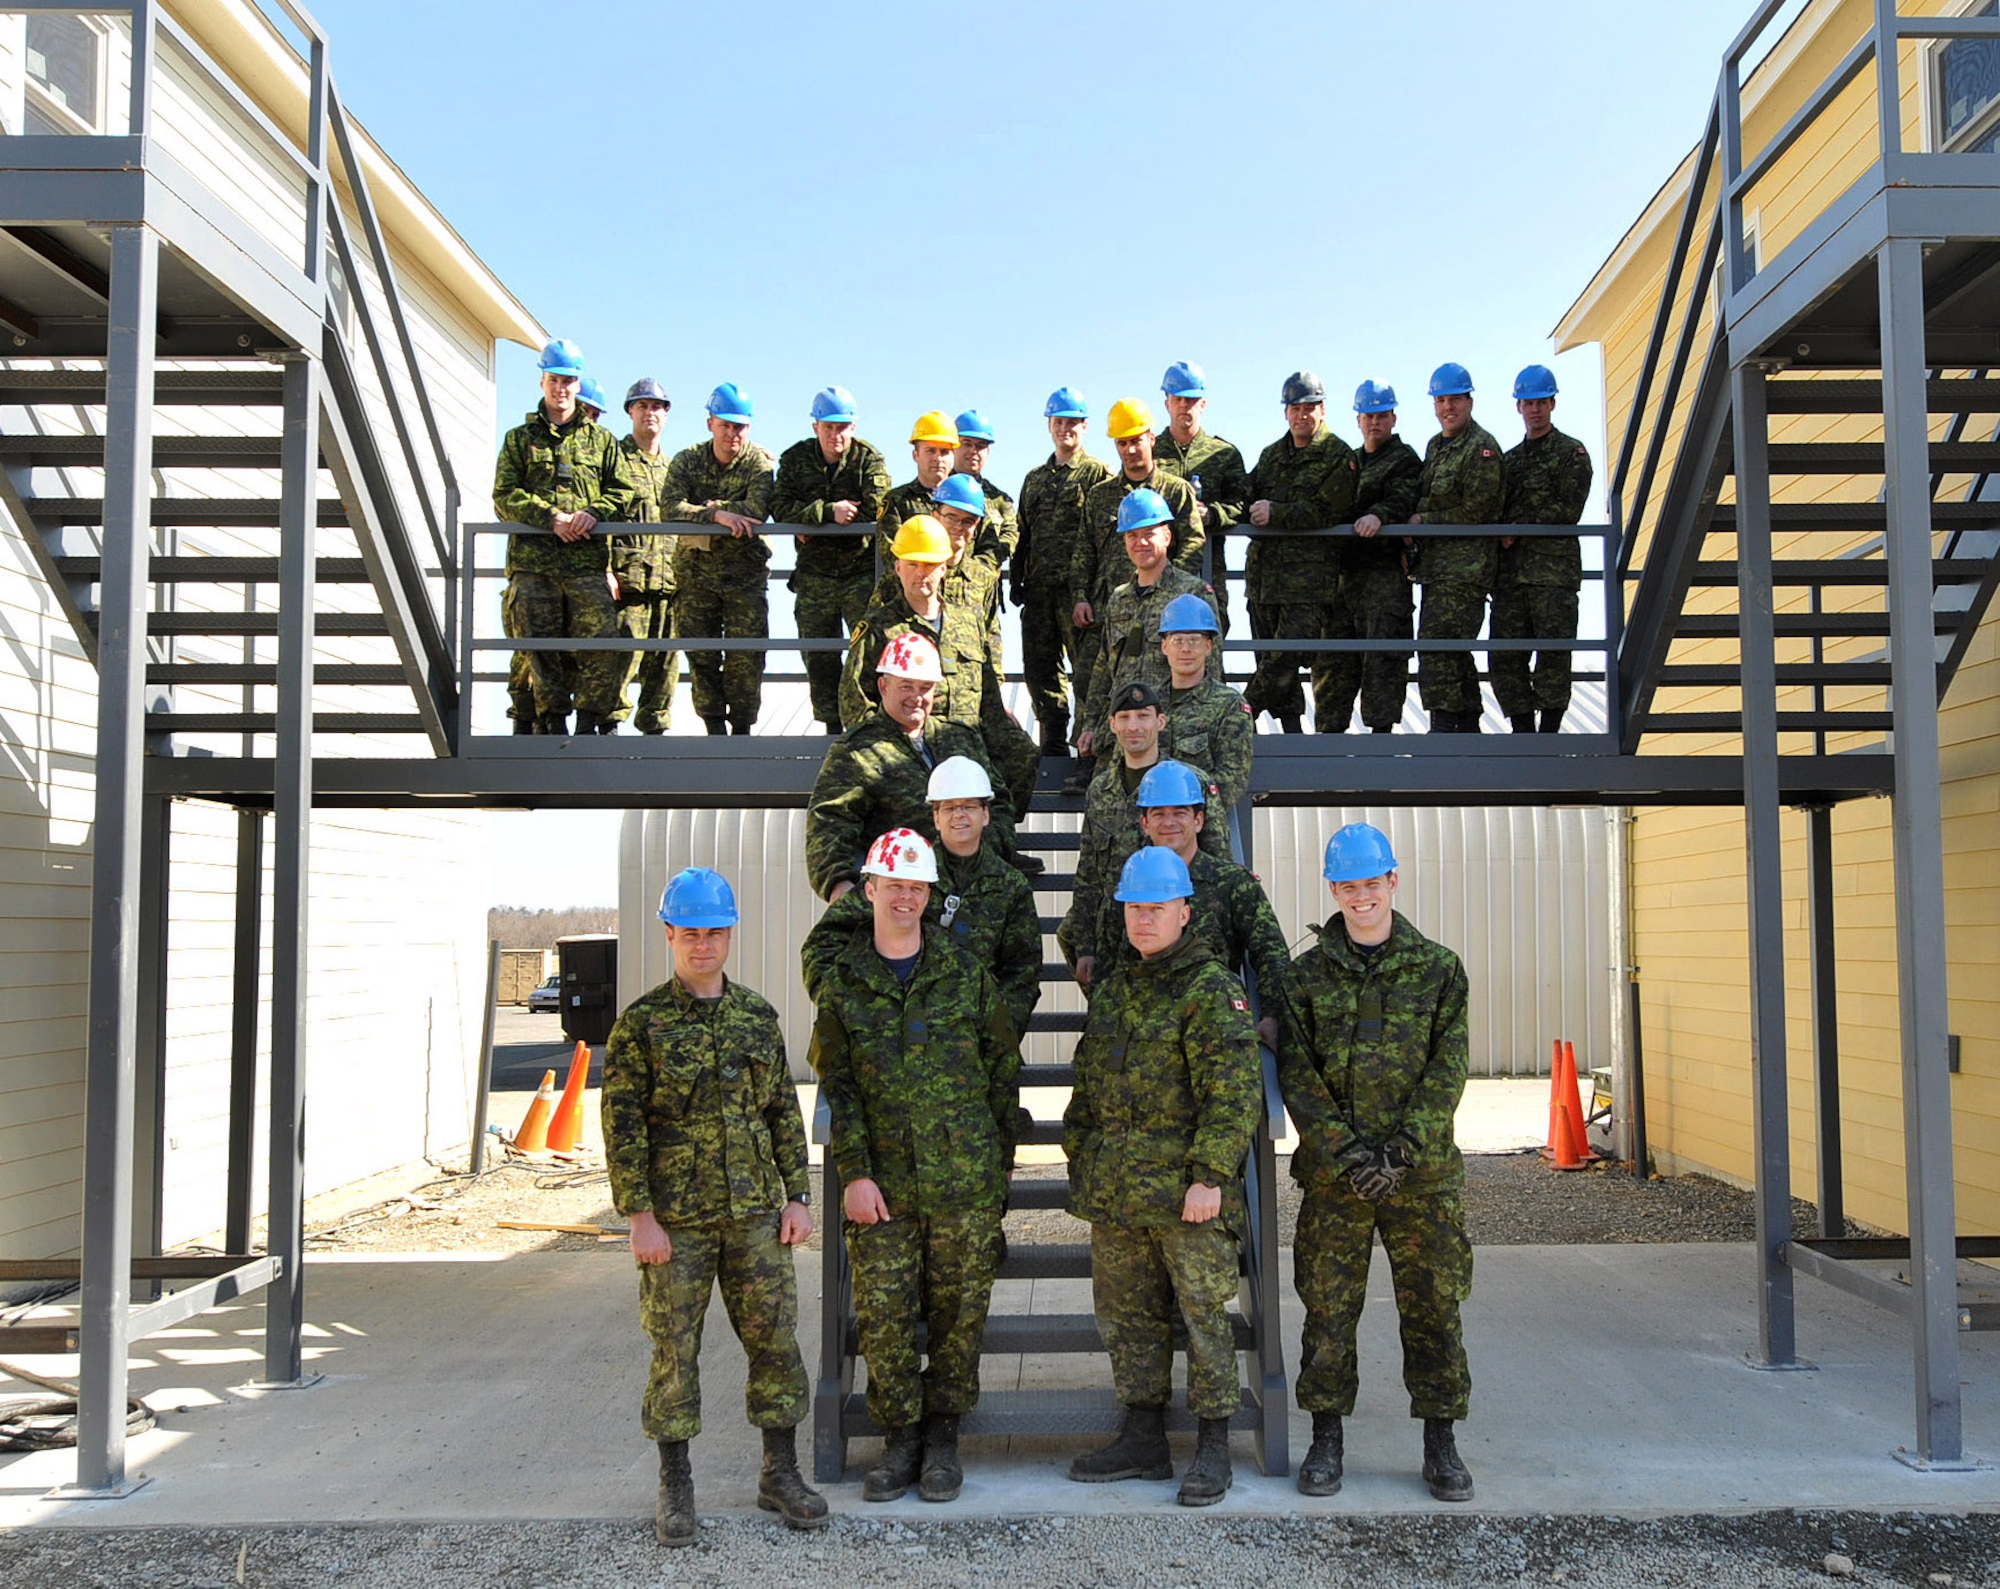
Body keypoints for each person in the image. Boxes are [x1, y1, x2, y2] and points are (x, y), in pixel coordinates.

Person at [602, 867, 827, 1547]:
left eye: (715, 931)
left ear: (731, 934)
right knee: (675, 1349)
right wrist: (638, 1214)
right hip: (678, 1222)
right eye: (691, 932)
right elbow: (623, 1125)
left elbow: (783, 1112)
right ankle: (675, 1482)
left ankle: (779, 1470)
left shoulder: (757, 1015)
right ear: (669, 933)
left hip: (756, 1214)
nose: (703, 944)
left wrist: (797, 1195)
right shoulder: (641, 1026)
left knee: (775, 1340)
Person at [807, 828, 1023, 1505]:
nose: (905, 895)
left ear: (930, 894)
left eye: (916, 885)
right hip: (884, 1186)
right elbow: (837, 1085)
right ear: (868, 888)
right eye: (893, 883)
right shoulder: (843, 985)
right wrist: (856, 1172)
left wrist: (998, 1170)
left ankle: (943, 1437)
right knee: (885, 1315)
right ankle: (899, 1436)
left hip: (964, 1182)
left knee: (961, 1313)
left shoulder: (964, 974)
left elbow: (1001, 1073)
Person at [1276, 822, 1475, 1503]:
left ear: (1393, 881)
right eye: (1348, 885)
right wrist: (1348, 1153)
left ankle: (1441, 1441)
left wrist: (1399, 1151)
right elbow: (1299, 1072)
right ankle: (1326, 1438)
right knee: (1328, 1311)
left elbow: (1449, 1069)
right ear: (1333, 889)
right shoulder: (1303, 976)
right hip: (1338, 1182)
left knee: (1433, 1308)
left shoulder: (1440, 968)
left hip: (1420, 1179)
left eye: (1372, 882)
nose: (1361, 896)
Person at [1063, 845, 1261, 1507]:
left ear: (1184, 910)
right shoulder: (1117, 984)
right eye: (1133, 908)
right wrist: (1080, 1148)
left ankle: (1212, 1444)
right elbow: (1089, 1077)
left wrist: (1210, 1176)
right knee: (1128, 1318)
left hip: (1187, 1195)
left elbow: (1234, 1093)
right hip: (1120, 1190)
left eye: (1155, 907)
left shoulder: (1211, 988)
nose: (1143, 919)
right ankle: (1143, 1436)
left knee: (1204, 1316)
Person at [802, 755, 1040, 1035]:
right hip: (898, 1035)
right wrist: (849, 1008)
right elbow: (825, 941)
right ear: (935, 818)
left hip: (969, 1039)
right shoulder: (904, 872)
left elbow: (1023, 971)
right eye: (949, 807)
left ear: (986, 814)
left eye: (969, 806)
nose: (959, 815)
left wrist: (998, 1033)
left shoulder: (1011, 886)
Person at [842, 513, 1040, 825]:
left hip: (968, 737)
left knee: (1022, 753)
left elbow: (986, 692)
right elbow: (855, 700)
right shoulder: (879, 627)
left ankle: (996, 845)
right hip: (911, 739)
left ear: (944, 568)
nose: (922, 573)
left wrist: (1001, 723)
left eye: (930, 565)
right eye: (912, 564)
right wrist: (890, 744)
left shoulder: (966, 620)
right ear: (897, 568)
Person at [492, 337, 637, 736]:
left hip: (585, 565)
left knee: (602, 643)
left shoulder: (601, 441)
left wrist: (592, 514)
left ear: (578, 384)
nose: (562, 389)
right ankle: (551, 721)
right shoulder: (519, 440)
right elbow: (503, 496)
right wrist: (550, 518)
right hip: (534, 564)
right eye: (555, 379)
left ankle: (589, 720)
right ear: (542, 381)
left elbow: (623, 492)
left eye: (569, 381)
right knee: (538, 648)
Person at [806, 633, 1015, 902]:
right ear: (883, 686)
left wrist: (986, 855)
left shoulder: (960, 738)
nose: (916, 697)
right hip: (903, 893)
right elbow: (829, 822)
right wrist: (839, 885)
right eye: (906, 686)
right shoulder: (856, 750)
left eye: (925, 687)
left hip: (971, 887)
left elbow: (997, 803)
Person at [1059, 681, 1226, 992]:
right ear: (1112, 725)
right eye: (1124, 718)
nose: (1133, 726)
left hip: (1172, 927)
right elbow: (1089, 873)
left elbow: (1216, 865)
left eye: (1143, 716)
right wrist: (1085, 946)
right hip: (1116, 927)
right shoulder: (1100, 789)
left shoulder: (1190, 782)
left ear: (1160, 722)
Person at [1071, 398, 1206, 777]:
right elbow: (1084, 550)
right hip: (1113, 606)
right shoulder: (1100, 495)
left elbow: (1193, 542)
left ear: (1151, 437)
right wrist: (1082, 595)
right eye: (1122, 443)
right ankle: (1090, 752)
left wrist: (1174, 589)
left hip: (1167, 604)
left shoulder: (1175, 491)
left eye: (1136, 440)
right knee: (1097, 677)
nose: (1130, 449)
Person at [1113, 758, 1288, 1049]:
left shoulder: (1233, 884)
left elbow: (1271, 954)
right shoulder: (1132, 884)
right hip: (1146, 1034)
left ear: (1199, 820)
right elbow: (1111, 960)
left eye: (1180, 813)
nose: (1169, 822)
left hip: (1214, 1030)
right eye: (1158, 814)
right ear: (1144, 823)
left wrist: (1273, 1014)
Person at [1241, 371, 1360, 734]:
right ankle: (1290, 730)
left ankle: (1239, 713)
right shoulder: (1272, 455)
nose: (1302, 415)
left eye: (1310, 407)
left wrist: (1277, 513)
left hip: (1308, 581)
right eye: (1295, 408)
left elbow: (1329, 510)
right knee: (1268, 656)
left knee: (1284, 656)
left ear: (1322, 410)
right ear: (1286, 412)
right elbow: (1248, 493)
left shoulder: (1339, 455)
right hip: (1264, 577)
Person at [773, 385, 892, 734]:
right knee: (818, 653)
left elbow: (877, 507)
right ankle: (830, 727)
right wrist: (825, 512)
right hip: (814, 573)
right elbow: (779, 507)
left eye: (842, 427)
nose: (835, 434)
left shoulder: (869, 459)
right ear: (815, 427)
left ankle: (865, 725)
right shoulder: (795, 460)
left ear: (853, 428)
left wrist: (811, 521)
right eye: (828, 426)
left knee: (865, 654)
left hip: (859, 572)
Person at [1075, 489, 1224, 761]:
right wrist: (1090, 722)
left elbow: (1210, 669)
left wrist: (1201, 730)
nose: (1140, 542)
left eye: (1149, 534)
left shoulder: (1193, 594)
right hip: (1124, 736)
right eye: (1132, 535)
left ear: (1167, 537)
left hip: (1173, 736)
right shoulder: (1119, 599)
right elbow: (1104, 667)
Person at [665, 383, 777, 735]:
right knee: (701, 654)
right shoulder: (688, 460)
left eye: (739, 427)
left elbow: (757, 509)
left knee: (746, 657)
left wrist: (710, 508)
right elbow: (669, 507)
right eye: (725, 424)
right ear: (710, 422)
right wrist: (719, 518)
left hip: (745, 575)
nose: (732, 434)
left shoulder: (758, 463)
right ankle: (713, 728)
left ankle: (742, 728)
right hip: (696, 575)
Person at [1493, 365, 1594, 734]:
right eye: (1528, 403)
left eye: (1541, 403)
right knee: (1505, 656)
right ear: (1518, 407)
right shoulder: (1509, 460)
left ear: (1552, 404)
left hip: (1553, 575)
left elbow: (1568, 508)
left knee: (1553, 654)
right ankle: (1522, 731)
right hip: (1512, 578)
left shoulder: (1572, 453)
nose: (1535, 410)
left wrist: (1520, 525)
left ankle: (1549, 731)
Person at [1015, 387, 1112, 757]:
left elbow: (1101, 538)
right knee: (1039, 668)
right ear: (1049, 426)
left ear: (1085, 427)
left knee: (1087, 671)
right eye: (1058, 422)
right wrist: (1018, 578)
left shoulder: (1096, 474)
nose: (1065, 429)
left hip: (1078, 593)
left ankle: (1088, 745)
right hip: (1039, 590)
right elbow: (1024, 531)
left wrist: (1089, 591)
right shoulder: (1034, 478)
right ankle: (1052, 739)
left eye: (1072, 422)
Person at [1410, 363, 1505, 734]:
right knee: (1448, 648)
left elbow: (1476, 511)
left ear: (1469, 401)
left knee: (1437, 646)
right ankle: (1465, 724)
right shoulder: (1436, 446)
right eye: (1441, 400)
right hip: (1437, 568)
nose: (1448, 407)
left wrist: (1424, 521)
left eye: (1455, 399)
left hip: (1466, 569)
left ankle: (1445, 724)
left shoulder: (1482, 448)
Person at [1325, 381, 1423, 735]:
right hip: (1344, 577)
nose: (1375, 423)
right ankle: (1330, 742)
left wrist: (1379, 515)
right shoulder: (1348, 462)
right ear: (1358, 420)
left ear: (1393, 418)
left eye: (1382, 415)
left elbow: (1404, 496)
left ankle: (1381, 740)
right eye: (1368, 416)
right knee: (1335, 661)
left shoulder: (1405, 459)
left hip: (1383, 576)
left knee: (1382, 658)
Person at [1152, 361, 1249, 635]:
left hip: (1207, 567)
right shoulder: (1151, 453)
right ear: (1167, 403)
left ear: (1203, 404)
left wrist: (1212, 514)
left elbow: (1242, 504)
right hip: (1158, 568)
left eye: (1191, 399)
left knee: (1210, 635)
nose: (1184, 405)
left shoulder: (1224, 454)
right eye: (1178, 399)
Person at [610, 377, 680, 735]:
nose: (649, 413)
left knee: (665, 666)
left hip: (668, 581)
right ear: (630, 412)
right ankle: (608, 734)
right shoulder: (615, 460)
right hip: (629, 582)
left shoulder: (674, 469)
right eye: (642, 406)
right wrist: (605, 568)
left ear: (666, 415)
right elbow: (602, 514)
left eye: (656, 406)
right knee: (621, 661)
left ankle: (655, 735)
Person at [1156, 593, 1254, 814]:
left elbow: (1232, 780)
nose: (1186, 649)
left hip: (1202, 825)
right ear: (1164, 647)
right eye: (1178, 640)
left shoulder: (1229, 706)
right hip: (1149, 822)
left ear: (1209, 646)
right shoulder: (1148, 705)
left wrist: (1181, 813)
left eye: (1194, 641)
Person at [874, 411, 965, 572]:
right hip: (913, 589)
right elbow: (891, 553)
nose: (938, 458)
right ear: (916, 455)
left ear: (953, 456)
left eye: (944, 452)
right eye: (930, 451)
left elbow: (985, 551)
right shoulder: (896, 501)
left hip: (960, 589)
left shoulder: (967, 499)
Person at [951, 408, 1020, 564]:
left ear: (987, 452)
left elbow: (1010, 535)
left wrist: (983, 567)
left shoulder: (1000, 499)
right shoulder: (938, 492)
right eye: (967, 444)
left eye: (980, 446)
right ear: (953, 447)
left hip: (986, 584)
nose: (973, 451)